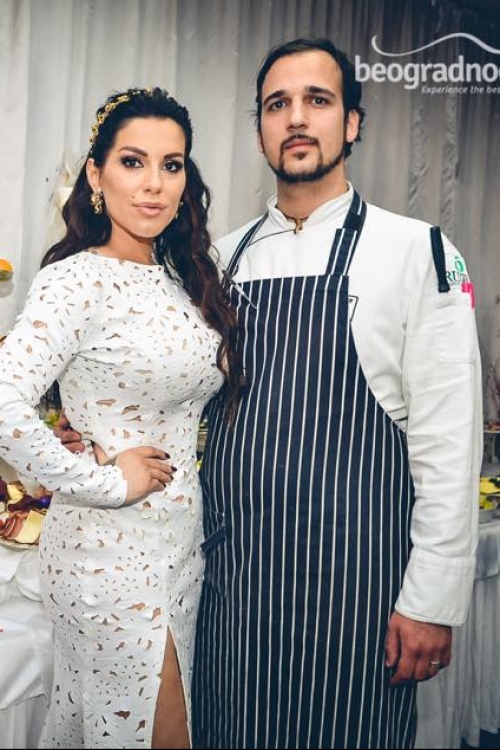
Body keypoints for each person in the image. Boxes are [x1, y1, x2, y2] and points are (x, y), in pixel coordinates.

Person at [189, 38, 482, 749]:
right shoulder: (219, 261)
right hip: (236, 586)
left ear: (351, 122)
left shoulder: (418, 252)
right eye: (277, 104)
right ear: (260, 129)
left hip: (358, 594)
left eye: (317, 100)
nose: (296, 118)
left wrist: (432, 600)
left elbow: (449, 442)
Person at [0, 86, 242, 749]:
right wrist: (105, 481)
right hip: (105, 552)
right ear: (96, 174)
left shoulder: (185, 281)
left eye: (172, 165)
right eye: (133, 162)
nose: (155, 183)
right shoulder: (75, 280)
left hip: (180, 548)